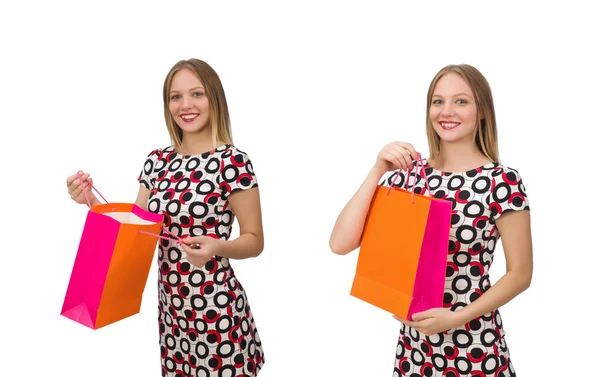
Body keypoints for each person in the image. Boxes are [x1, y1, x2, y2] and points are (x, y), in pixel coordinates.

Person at [329, 64, 532, 377]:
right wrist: (376, 171)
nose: (446, 111)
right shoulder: (411, 177)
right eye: (438, 101)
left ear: (482, 112)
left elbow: (520, 273)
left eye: (461, 101)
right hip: (415, 348)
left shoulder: (501, 181)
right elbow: (340, 244)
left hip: (475, 343)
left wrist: (456, 318)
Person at [66, 59, 266, 377]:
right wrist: (89, 202)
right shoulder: (156, 162)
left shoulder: (234, 162)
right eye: (176, 96)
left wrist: (217, 246)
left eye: (197, 94)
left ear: (214, 98)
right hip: (173, 315)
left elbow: (255, 241)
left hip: (217, 312)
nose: (185, 105)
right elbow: (135, 231)